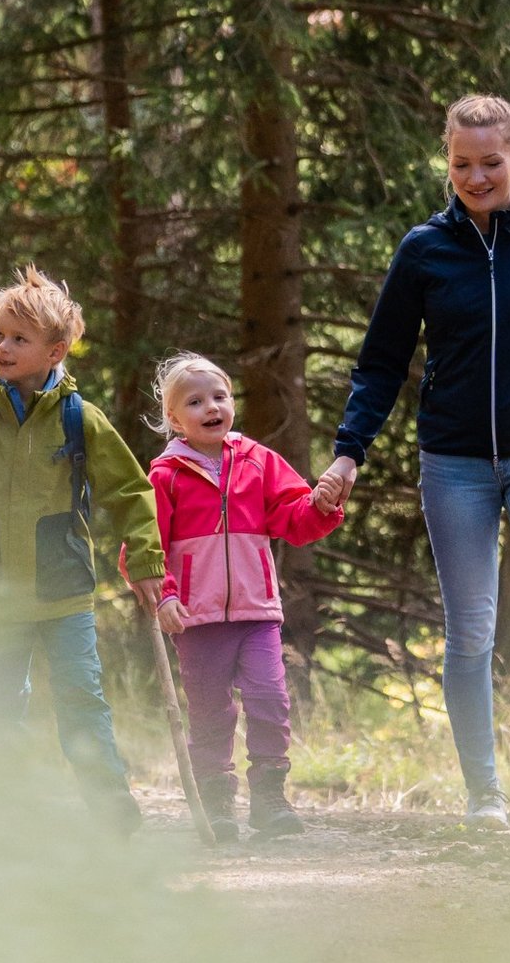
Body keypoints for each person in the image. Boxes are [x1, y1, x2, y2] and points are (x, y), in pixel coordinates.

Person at [314, 93, 510, 828]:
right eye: (462, 163)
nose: (476, 176)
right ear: (447, 161)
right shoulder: (424, 250)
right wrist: (349, 453)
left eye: (491, 162)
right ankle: (486, 792)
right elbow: (381, 363)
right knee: (471, 629)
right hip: (453, 463)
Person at [0, 266, 166, 835]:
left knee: (81, 701)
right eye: (0, 334)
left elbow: (130, 491)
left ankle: (113, 817)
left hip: (63, 593)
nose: (2, 347)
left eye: (19, 339)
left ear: (55, 352)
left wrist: (148, 561)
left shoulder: (82, 420)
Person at [143, 352, 344, 841]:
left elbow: (293, 518)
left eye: (220, 396)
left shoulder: (257, 461)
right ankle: (217, 805)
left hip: (257, 613)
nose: (212, 407)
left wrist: (320, 503)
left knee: (269, 698)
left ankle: (270, 798)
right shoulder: (165, 477)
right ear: (174, 420)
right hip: (197, 619)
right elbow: (147, 546)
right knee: (210, 712)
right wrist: (165, 596)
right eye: (195, 402)